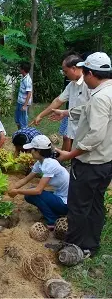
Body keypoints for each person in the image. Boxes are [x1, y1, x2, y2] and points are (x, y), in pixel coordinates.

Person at [54, 52, 112, 256]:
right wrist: (66, 113)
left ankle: (73, 248)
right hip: (105, 163)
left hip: (89, 163)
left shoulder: (100, 97)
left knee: (78, 206)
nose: (82, 77)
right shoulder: (107, 91)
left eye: (84, 73)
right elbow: (87, 110)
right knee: (95, 205)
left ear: (90, 73)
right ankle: (91, 245)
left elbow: (95, 135)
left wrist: (69, 155)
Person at [31, 55, 90, 151]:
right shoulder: (72, 85)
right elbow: (58, 101)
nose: (64, 74)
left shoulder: (88, 84)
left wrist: (65, 113)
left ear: (74, 68)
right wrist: (41, 115)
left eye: (65, 71)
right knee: (70, 143)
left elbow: (92, 108)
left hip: (87, 129)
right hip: (75, 126)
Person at [8, 135, 69, 228]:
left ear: (38, 151)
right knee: (29, 195)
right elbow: (25, 179)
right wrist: (11, 188)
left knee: (33, 193)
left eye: (32, 149)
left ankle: (52, 220)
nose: (29, 152)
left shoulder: (50, 164)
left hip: (66, 203)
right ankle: (54, 213)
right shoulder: (40, 163)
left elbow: (38, 190)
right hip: (59, 196)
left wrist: (17, 191)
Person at [16, 61, 32, 129]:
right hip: (19, 102)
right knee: (18, 120)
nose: (19, 69)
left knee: (23, 122)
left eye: (20, 68)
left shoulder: (27, 80)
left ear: (23, 70)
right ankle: (19, 134)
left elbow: (29, 93)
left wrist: (25, 106)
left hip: (23, 104)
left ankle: (23, 136)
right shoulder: (23, 77)